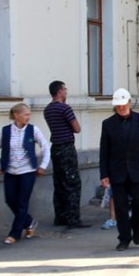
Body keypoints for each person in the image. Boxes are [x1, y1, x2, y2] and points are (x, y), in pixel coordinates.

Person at [100, 88, 139, 251]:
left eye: (123, 104)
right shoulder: (108, 124)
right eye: (118, 105)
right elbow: (104, 151)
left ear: (129, 103)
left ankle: (136, 224)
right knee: (120, 206)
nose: (121, 108)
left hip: (137, 169)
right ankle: (124, 238)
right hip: (117, 171)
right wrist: (103, 174)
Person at [0, 103, 50, 245]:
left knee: (22, 202)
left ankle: (14, 233)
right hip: (10, 170)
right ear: (16, 115)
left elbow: (45, 147)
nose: (28, 117)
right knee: (10, 200)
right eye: (26, 114)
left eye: (29, 115)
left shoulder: (33, 130)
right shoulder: (5, 131)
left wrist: (42, 166)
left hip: (27, 171)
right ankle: (29, 222)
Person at [43, 80, 90, 229]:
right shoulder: (65, 108)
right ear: (59, 91)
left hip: (55, 148)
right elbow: (77, 128)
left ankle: (60, 216)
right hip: (67, 148)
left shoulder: (48, 109)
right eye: (65, 89)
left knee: (59, 183)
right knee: (73, 183)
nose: (66, 92)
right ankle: (73, 218)